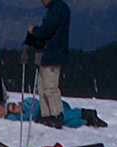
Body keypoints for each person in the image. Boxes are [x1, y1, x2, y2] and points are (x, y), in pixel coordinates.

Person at [24, 0, 71, 130]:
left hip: (52, 55)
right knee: (42, 86)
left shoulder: (57, 9)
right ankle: (47, 115)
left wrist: (34, 30)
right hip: (50, 55)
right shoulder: (60, 8)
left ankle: (56, 115)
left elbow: (46, 30)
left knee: (50, 87)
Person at [7, 98, 107, 128]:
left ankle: (87, 114)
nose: (17, 107)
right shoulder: (19, 117)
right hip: (48, 116)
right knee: (68, 123)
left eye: (14, 105)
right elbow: (9, 118)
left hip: (52, 107)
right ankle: (86, 121)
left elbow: (38, 105)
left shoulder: (27, 102)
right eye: (13, 108)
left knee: (64, 115)